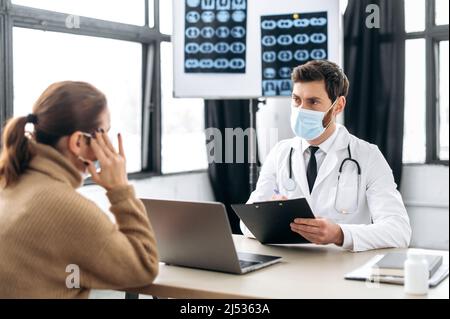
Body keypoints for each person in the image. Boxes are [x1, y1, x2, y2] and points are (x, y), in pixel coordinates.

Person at [0, 81, 159, 298]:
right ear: (78, 142)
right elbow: (145, 266)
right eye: (104, 134)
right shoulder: (64, 207)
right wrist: (120, 189)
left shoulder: (11, 184)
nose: (108, 145)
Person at [241, 60, 411, 252]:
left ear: (338, 106)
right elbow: (246, 224)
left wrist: (340, 234)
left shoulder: (368, 156)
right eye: (296, 100)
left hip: (343, 269)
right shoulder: (280, 152)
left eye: (313, 102)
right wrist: (265, 217)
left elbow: (399, 231)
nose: (301, 110)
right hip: (289, 267)